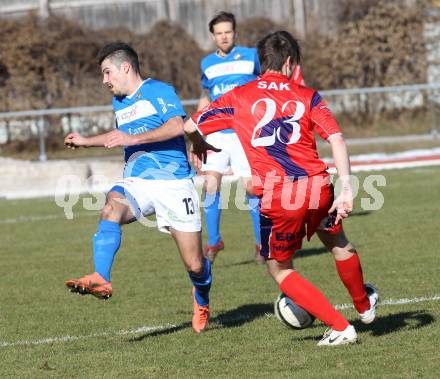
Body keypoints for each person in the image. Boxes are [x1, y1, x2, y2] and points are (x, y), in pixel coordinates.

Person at [184, 31, 379, 345]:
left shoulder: (238, 96)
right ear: (289, 63)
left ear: (261, 63)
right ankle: (364, 306)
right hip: (319, 187)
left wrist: (198, 145)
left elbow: (190, 125)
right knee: (338, 241)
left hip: (279, 196)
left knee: (279, 268)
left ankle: (341, 327)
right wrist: (346, 190)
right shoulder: (308, 94)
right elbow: (337, 139)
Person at [63, 42, 212, 333]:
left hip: (174, 184)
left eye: (107, 73)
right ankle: (100, 276)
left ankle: (202, 297)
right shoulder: (119, 102)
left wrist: (135, 139)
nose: (104, 80)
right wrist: (85, 140)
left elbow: (175, 127)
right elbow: (120, 135)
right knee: (110, 207)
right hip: (137, 181)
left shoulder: (160, 91)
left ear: (126, 68)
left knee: (195, 265)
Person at [197, 11, 263, 263]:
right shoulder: (207, 64)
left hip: (244, 133)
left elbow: (264, 84)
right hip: (217, 133)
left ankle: (260, 245)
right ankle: (214, 242)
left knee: (251, 188)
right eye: (219, 33)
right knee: (210, 185)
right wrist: (199, 127)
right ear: (213, 37)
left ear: (235, 33)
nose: (224, 36)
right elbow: (206, 95)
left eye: (228, 32)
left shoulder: (251, 57)